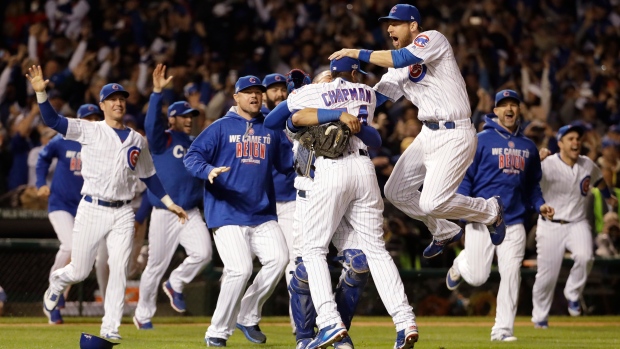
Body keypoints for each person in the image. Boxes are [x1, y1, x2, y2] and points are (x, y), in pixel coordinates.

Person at [329, 4, 506, 257]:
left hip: (454, 133)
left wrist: (357, 52)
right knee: (395, 192)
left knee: (433, 202)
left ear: (412, 25)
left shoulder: (432, 38)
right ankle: (444, 230)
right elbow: (376, 99)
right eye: (388, 23)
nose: (389, 28)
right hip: (428, 134)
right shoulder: (397, 67)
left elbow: (403, 58)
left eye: (395, 23)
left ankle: (490, 211)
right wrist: (337, 105)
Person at [27, 65, 188, 340]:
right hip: (91, 207)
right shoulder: (89, 130)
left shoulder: (138, 139)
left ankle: (110, 327)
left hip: (123, 211)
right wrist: (42, 94)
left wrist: (169, 202)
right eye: (112, 99)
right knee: (79, 270)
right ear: (102, 105)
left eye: (122, 98)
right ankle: (56, 283)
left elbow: (149, 176)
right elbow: (53, 122)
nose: (118, 102)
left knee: (119, 267)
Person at [269, 58, 418, 349]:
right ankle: (306, 336)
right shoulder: (309, 104)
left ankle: (335, 328)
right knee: (306, 266)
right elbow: (292, 119)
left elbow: (370, 135)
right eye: (296, 85)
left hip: (330, 182)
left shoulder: (317, 94)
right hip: (317, 188)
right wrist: (338, 114)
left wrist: (344, 117)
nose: (303, 85)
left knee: (356, 262)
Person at [184, 75, 291, 347]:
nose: (254, 96)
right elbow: (192, 156)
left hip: (262, 213)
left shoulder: (271, 128)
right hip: (227, 211)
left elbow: (287, 164)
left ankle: (247, 313)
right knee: (240, 270)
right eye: (248, 92)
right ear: (237, 98)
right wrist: (208, 170)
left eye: (258, 92)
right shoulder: (220, 127)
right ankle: (217, 332)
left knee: (279, 259)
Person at [443, 90, 555, 342]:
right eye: (503, 105)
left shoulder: (528, 147)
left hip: (513, 220)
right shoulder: (480, 140)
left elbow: (532, 187)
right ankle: (460, 264)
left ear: (519, 110)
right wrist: (462, 213)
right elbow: (465, 179)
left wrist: (540, 206)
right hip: (481, 219)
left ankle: (503, 330)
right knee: (478, 276)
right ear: (495, 111)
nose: (509, 109)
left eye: (513, 104)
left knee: (511, 273)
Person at [133, 64, 213, 330]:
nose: (189, 119)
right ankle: (143, 314)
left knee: (203, 253)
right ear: (172, 119)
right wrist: (156, 93)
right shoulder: (162, 139)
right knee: (155, 266)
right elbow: (150, 123)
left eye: (191, 115)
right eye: (183, 115)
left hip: (189, 212)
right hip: (165, 213)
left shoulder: (197, 143)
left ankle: (176, 282)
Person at [531, 124, 617, 328]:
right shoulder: (548, 164)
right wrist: (535, 162)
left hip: (577, 222)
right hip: (551, 225)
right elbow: (525, 179)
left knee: (586, 256)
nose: (575, 142)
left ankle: (573, 294)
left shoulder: (587, 164)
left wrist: (608, 197)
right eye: (570, 138)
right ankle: (540, 317)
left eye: (577, 138)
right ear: (560, 143)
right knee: (547, 276)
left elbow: (599, 180)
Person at [36, 103, 103, 325]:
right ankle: (53, 294)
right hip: (60, 204)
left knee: (81, 255)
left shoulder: (101, 143)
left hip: (85, 207)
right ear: (80, 120)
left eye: (96, 118)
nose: (93, 122)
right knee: (71, 246)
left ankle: (56, 299)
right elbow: (43, 158)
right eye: (89, 118)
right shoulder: (63, 139)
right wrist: (39, 183)